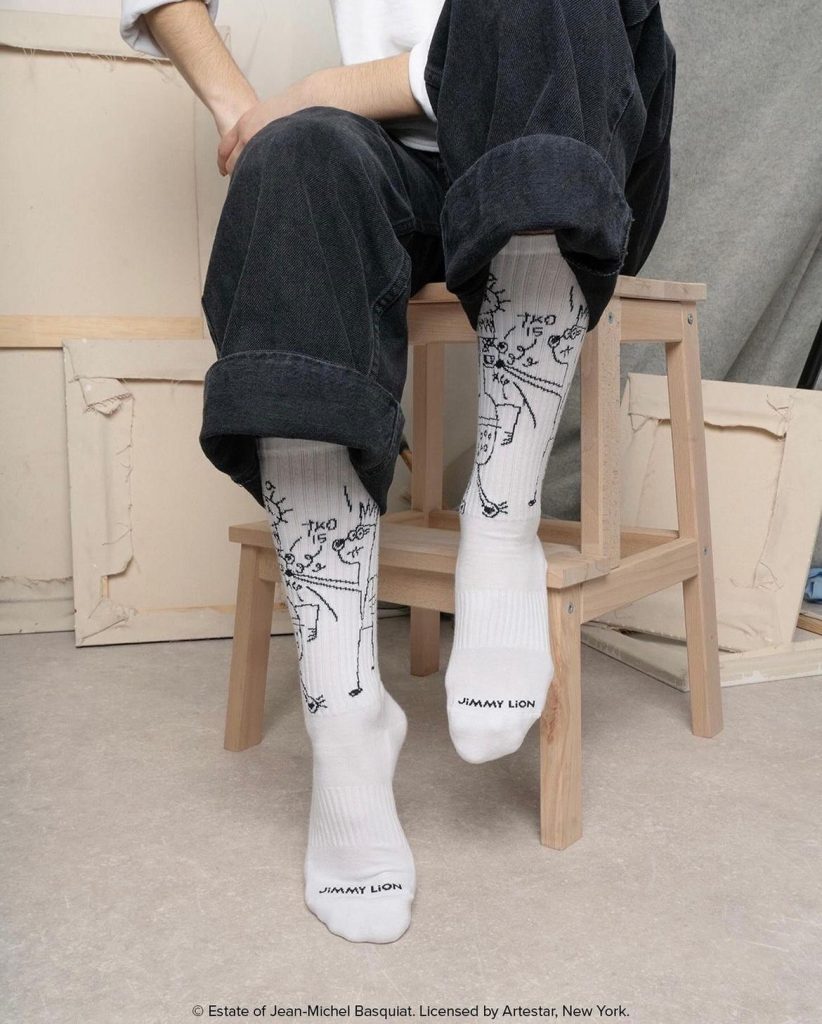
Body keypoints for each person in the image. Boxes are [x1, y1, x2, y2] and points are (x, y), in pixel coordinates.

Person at [120, 0, 676, 944]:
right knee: (294, 160)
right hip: (403, 164)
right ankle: (344, 723)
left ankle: (501, 528)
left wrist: (319, 88)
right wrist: (249, 113)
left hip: (579, 120)